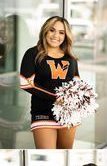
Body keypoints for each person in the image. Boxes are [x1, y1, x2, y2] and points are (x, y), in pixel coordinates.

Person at [20, 16, 80, 149]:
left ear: (66, 36)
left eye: (61, 32)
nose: (56, 35)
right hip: (42, 112)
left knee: (65, 152)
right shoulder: (33, 53)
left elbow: (77, 83)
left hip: (69, 113)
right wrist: (56, 97)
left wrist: (82, 99)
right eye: (52, 30)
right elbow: (25, 83)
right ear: (45, 31)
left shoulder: (70, 57)